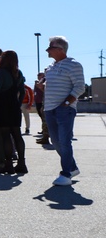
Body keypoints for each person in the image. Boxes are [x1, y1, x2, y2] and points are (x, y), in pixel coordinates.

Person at [42, 36, 85, 186]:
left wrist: (66, 103)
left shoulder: (73, 65)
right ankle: (72, 167)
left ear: (60, 49)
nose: (47, 50)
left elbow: (80, 86)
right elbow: (48, 85)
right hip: (49, 109)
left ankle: (66, 173)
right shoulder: (50, 67)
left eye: (50, 47)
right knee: (55, 141)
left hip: (64, 110)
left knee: (65, 142)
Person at [0, 50, 27, 175]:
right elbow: (23, 91)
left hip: (2, 106)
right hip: (14, 106)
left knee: (6, 136)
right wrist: (18, 103)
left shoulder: (2, 72)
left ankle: (8, 164)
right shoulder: (18, 73)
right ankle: (21, 163)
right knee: (17, 135)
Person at [33, 71, 49, 144]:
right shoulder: (42, 81)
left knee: (46, 119)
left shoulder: (47, 80)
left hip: (47, 102)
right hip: (42, 102)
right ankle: (45, 136)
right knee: (43, 117)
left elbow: (40, 87)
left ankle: (46, 136)